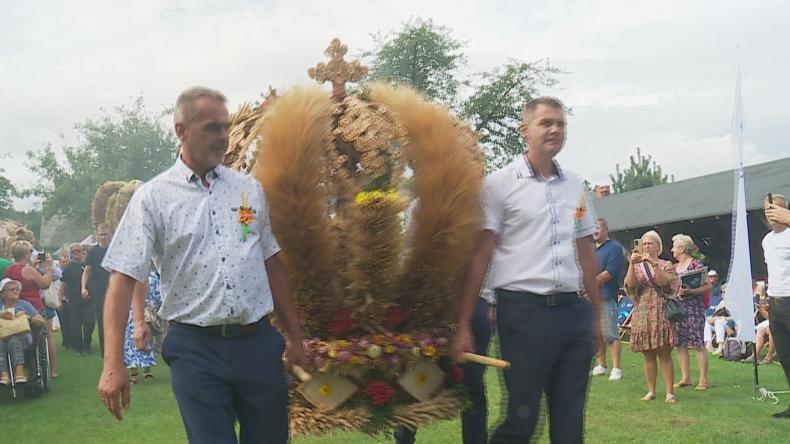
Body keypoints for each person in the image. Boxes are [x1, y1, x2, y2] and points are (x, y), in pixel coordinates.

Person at [97, 86, 306, 444]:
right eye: (212, 128)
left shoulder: (248, 190)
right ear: (181, 130)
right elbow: (122, 278)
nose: (224, 137)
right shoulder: (153, 198)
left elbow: (270, 263)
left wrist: (296, 338)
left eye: (225, 127)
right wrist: (112, 362)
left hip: (257, 343)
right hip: (196, 348)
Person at [453, 96, 601, 443]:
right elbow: (480, 256)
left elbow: (585, 250)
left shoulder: (576, 186)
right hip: (523, 313)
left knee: (570, 422)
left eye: (561, 124)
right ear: (525, 130)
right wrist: (462, 324)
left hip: (572, 313)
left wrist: (596, 315)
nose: (555, 130)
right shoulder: (499, 185)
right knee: (523, 417)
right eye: (546, 123)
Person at [625, 230, 680, 403]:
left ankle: (670, 392)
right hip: (643, 311)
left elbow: (666, 284)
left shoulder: (666, 264)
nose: (647, 246)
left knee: (664, 353)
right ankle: (651, 391)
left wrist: (653, 264)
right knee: (648, 354)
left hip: (661, 309)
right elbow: (629, 286)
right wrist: (631, 265)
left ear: (658, 247)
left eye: (650, 243)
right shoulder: (637, 265)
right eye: (644, 243)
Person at [671, 234, 712, 391]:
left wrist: (692, 291)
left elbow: (708, 285)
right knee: (680, 343)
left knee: (698, 343)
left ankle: (703, 379)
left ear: (682, 248)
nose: (672, 249)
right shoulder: (674, 267)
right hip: (678, 309)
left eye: (674, 246)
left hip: (694, 308)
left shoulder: (696, 265)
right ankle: (685, 377)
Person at [762, 193, 790, 419]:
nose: (770, 213)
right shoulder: (767, 240)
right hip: (775, 302)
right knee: (785, 355)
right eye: (767, 209)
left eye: (774, 209)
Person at [591, 218, 627, 381]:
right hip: (590, 297)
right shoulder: (591, 249)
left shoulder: (614, 248)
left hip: (606, 296)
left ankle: (617, 368)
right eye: (592, 228)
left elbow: (610, 272)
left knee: (611, 333)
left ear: (606, 229)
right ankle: (601, 364)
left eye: (598, 227)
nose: (595, 231)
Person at [0, 278, 47, 384]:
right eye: (12, 290)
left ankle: (19, 373)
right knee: (0, 343)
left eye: (17, 289)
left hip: (23, 337)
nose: (16, 291)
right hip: (2, 336)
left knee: (14, 339)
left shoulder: (24, 304)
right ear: (3, 293)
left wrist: (28, 317)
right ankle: (3, 374)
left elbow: (42, 321)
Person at [124, 269, 162, 383]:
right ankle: (133, 373)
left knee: (147, 340)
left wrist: (152, 308)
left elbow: (158, 295)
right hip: (129, 313)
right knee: (130, 343)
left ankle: (147, 370)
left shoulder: (153, 277)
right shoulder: (127, 276)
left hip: (147, 312)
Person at [82, 223, 113, 356]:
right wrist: (83, 287)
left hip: (115, 289)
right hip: (99, 291)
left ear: (111, 234)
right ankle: (105, 354)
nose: (103, 237)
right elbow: (86, 271)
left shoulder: (116, 249)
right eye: (101, 234)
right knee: (102, 322)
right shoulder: (93, 251)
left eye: (106, 234)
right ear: (97, 235)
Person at [2, 240, 54, 312]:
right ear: (27, 254)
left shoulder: (9, 269)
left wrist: (33, 267)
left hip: (14, 305)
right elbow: (45, 284)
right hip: (31, 306)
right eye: (31, 251)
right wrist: (49, 268)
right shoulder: (28, 270)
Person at [61, 243, 92, 355]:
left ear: (83, 251)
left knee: (89, 322)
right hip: (73, 299)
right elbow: (63, 283)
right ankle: (78, 347)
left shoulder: (88, 264)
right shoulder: (69, 267)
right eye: (74, 251)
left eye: (78, 250)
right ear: (71, 253)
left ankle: (87, 343)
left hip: (88, 298)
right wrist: (61, 299)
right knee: (76, 324)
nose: (77, 253)